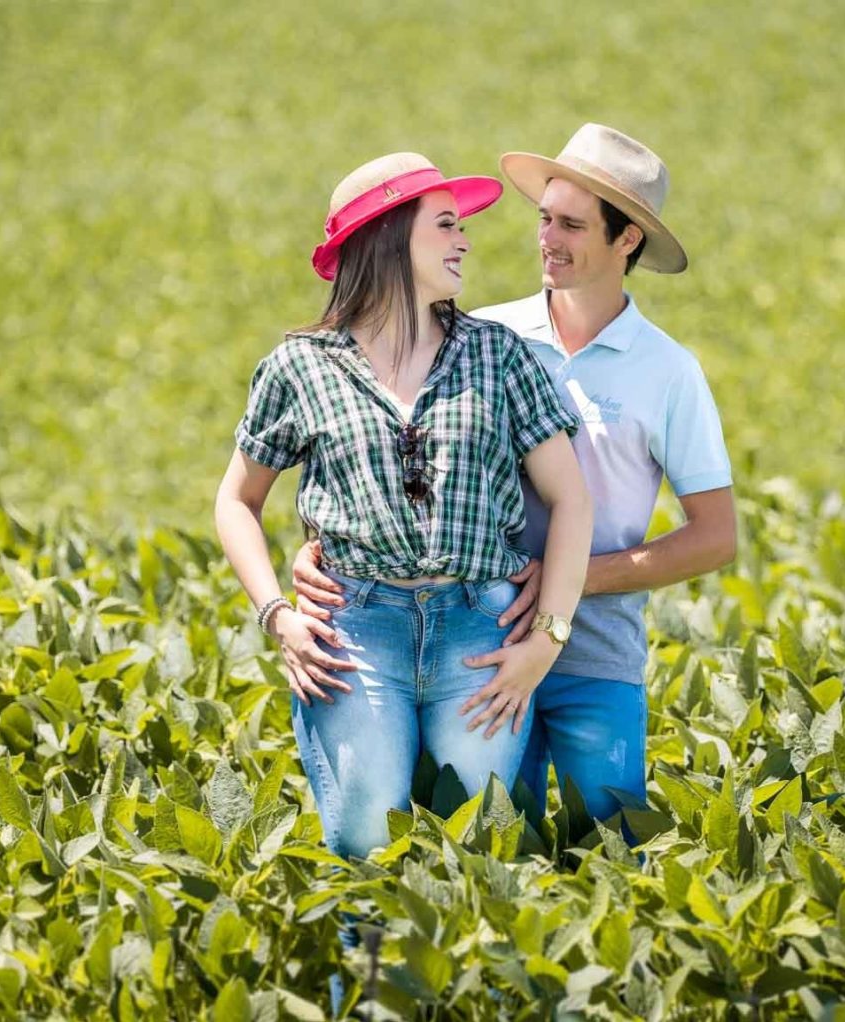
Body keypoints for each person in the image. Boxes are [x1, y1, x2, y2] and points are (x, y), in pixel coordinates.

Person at [293, 125, 736, 830]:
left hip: (597, 653)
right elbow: (378, 446)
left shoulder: (669, 371)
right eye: (544, 218)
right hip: (469, 646)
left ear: (627, 242)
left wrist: (569, 581)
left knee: (614, 841)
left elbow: (716, 538)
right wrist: (320, 548)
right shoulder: (483, 337)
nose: (547, 238)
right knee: (496, 850)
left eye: (571, 224)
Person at [213, 152, 593, 861]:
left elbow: (571, 499)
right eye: (445, 224)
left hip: (481, 631)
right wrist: (278, 617)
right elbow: (237, 500)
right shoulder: (301, 366)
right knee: (363, 841)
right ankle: (368, 973)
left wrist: (547, 640)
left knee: (475, 848)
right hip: (354, 633)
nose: (465, 241)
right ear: (388, 236)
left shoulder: (498, 356)